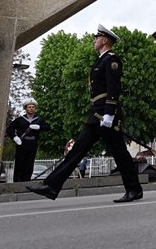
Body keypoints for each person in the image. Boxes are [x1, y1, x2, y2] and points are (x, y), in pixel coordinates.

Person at [27, 25, 142, 202]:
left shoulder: (112, 60)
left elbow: (113, 88)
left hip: (105, 116)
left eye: (97, 37)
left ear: (104, 40)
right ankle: (51, 186)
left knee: (119, 153)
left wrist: (110, 114)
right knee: (77, 150)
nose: (94, 40)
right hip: (97, 115)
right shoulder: (100, 60)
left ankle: (134, 190)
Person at [5, 98, 51, 182]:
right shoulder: (20, 120)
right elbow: (10, 129)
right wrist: (15, 137)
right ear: (25, 109)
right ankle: (17, 182)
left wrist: (39, 127)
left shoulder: (38, 120)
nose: (31, 108)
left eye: (33, 107)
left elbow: (48, 127)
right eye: (29, 107)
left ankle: (26, 180)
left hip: (32, 143)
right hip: (22, 143)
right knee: (20, 162)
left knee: (29, 163)